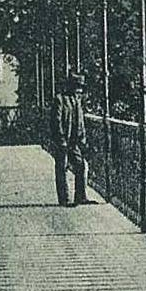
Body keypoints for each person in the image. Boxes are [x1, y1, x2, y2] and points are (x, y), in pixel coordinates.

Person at [50, 72, 94, 207]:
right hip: (63, 140)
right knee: (62, 168)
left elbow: (80, 122)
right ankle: (65, 199)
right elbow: (56, 121)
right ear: (70, 86)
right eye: (77, 86)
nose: (79, 90)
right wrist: (61, 138)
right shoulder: (60, 99)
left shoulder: (77, 100)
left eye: (81, 87)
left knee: (80, 166)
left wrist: (83, 139)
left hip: (74, 142)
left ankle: (80, 196)